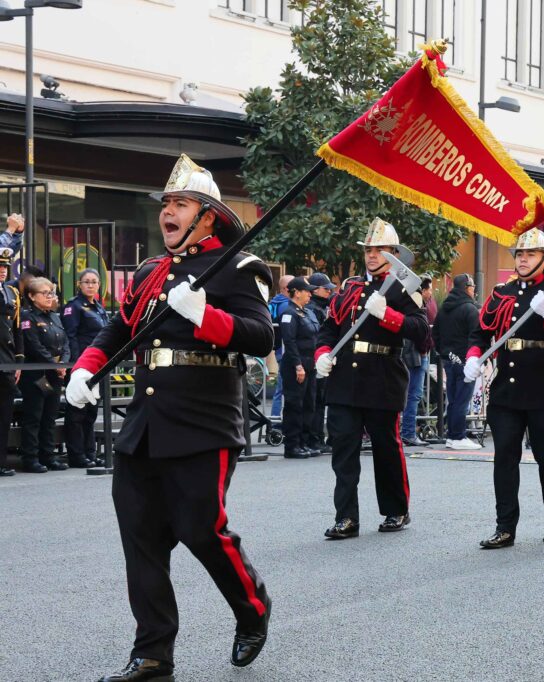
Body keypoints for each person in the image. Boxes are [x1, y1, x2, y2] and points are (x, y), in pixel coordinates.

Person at [66, 154, 274, 679]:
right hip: (146, 424)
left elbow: (260, 335)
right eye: (165, 205)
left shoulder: (238, 266)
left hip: (205, 419)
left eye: (180, 203)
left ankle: (252, 609)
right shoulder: (148, 273)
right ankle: (154, 653)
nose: (168, 213)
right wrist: (85, 370)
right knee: (142, 542)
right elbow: (117, 332)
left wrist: (205, 314)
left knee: (202, 530)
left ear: (207, 215)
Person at [464, 228, 544, 548]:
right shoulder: (502, 292)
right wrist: (474, 358)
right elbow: (481, 331)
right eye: (519, 254)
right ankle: (505, 527)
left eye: (529, 254)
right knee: (504, 456)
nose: (522, 260)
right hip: (507, 388)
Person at [315, 217, 428, 540]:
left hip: (382, 375)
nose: (372, 254)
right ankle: (346, 518)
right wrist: (322, 353)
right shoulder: (349, 287)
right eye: (369, 249)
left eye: (380, 249)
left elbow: (420, 331)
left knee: (386, 448)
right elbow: (330, 327)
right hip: (345, 379)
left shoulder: (404, 288)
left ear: (394, 253)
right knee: (344, 452)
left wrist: (388, 315)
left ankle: (396, 509)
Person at [19, 277, 68, 474]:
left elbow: (66, 343)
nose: (50, 297)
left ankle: (48, 456)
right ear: (31, 296)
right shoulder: (27, 317)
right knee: (34, 417)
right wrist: (54, 364)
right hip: (36, 374)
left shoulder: (55, 316)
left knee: (50, 417)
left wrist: (63, 363)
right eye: (44, 293)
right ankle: (30, 458)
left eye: (51, 293)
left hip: (56, 373)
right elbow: (34, 345)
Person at [62, 268, 109, 468]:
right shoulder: (74, 307)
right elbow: (70, 335)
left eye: (94, 282)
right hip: (81, 364)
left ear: (99, 285)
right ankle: (76, 455)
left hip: (98, 366)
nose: (90, 285)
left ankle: (90, 453)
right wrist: (74, 364)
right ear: (79, 285)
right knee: (77, 411)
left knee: (91, 412)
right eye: (86, 282)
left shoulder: (99, 307)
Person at [432, 273, 482, 450]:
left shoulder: (444, 308)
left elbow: (435, 333)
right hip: (465, 359)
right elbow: (476, 336)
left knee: (453, 399)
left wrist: (444, 352)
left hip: (448, 359)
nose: (474, 290)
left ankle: (452, 436)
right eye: (472, 287)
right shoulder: (470, 309)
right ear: (467, 288)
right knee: (462, 399)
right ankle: (458, 436)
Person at [279, 276, 320, 459]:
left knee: (309, 404)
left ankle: (304, 442)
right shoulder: (289, 313)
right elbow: (289, 340)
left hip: (311, 363)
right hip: (296, 363)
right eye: (306, 291)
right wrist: (297, 365)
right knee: (295, 404)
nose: (310, 294)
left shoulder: (308, 312)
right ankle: (292, 445)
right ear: (296, 293)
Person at [401, 274, 433, 447]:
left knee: (412, 395)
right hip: (415, 355)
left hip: (417, 354)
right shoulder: (415, 302)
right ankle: (408, 432)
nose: (430, 293)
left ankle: (408, 432)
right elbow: (418, 332)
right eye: (429, 289)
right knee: (413, 395)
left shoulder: (414, 302)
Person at [307, 272, 336, 455]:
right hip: (312, 361)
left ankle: (317, 437)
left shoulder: (323, 307)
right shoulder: (313, 309)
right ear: (315, 290)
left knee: (319, 402)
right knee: (314, 402)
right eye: (325, 289)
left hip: (320, 360)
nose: (328, 292)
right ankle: (313, 438)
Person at [0, 248, 22, 476]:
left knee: (4, 415)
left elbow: (17, 331)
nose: (2, 271)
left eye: (5, 267)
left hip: (6, 362)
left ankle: (1, 462)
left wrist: (19, 362)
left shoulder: (12, 293)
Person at [268, 275, 293, 418]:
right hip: (284, 350)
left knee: (281, 388)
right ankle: (276, 422)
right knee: (282, 388)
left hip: (279, 349)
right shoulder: (286, 306)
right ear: (287, 288)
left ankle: (275, 421)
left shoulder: (277, 302)